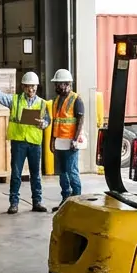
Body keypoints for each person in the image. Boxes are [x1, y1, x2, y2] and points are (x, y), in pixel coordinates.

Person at [0, 71, 51, 214]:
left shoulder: (42, 103)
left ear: (37, 87)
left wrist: (44, 124)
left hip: (34, 143)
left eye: (33, 86)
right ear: (23, 87)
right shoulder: (14, 100)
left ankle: (37, 202)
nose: (31, 89)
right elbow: (0, 97)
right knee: (16, 174)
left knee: (36, 174)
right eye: (28, 86)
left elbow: (47, 120)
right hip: (19, 143)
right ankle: (14, 203)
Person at [47, 68, 86, 211]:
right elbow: (55, 121)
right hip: (59, 142)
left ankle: (77, 201)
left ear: (68, 84)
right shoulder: (56, 100)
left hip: (70, 142)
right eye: (56, 84)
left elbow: (80, 120)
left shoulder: (76, 99)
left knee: (72, 171)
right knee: (62, 172)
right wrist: (52, 140)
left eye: (59, 84)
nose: (56, 86)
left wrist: (75, 140)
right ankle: (65, 198)